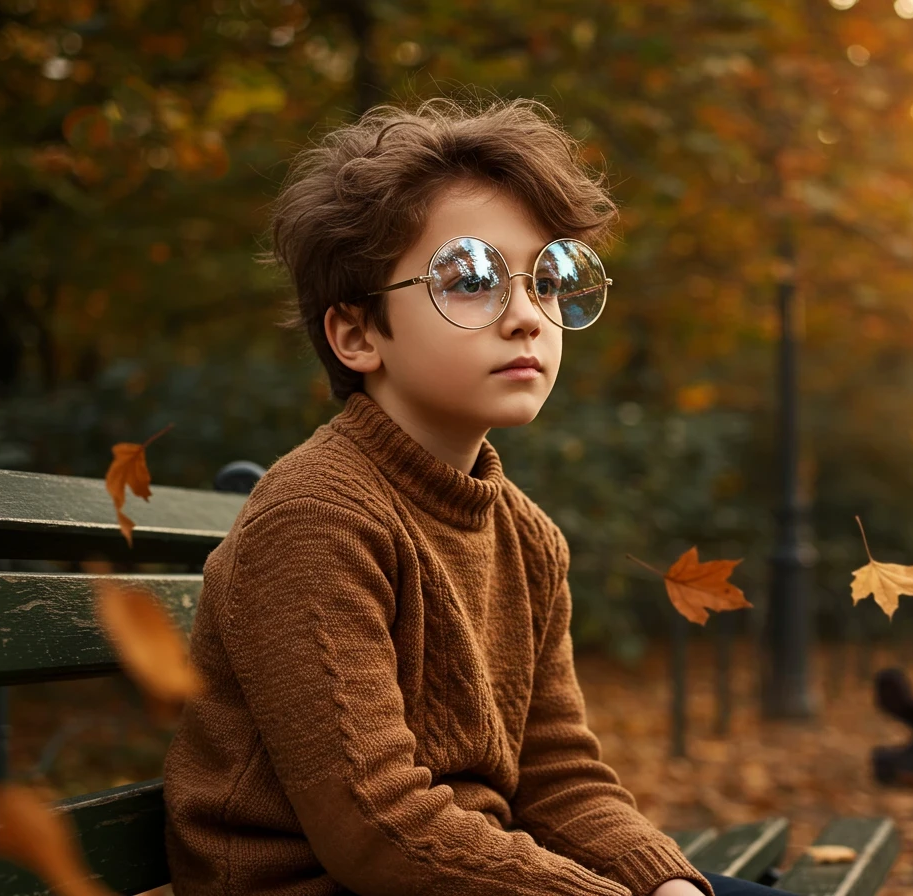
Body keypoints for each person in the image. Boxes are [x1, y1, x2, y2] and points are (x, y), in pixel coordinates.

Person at [162, 98, 784, 896]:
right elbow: (377, 824)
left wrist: (664, 882)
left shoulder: (526, 536)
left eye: (547, 279)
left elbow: (558, 775)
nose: (527, 315)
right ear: (357, 334)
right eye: (471, 279)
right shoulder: (318, 518)